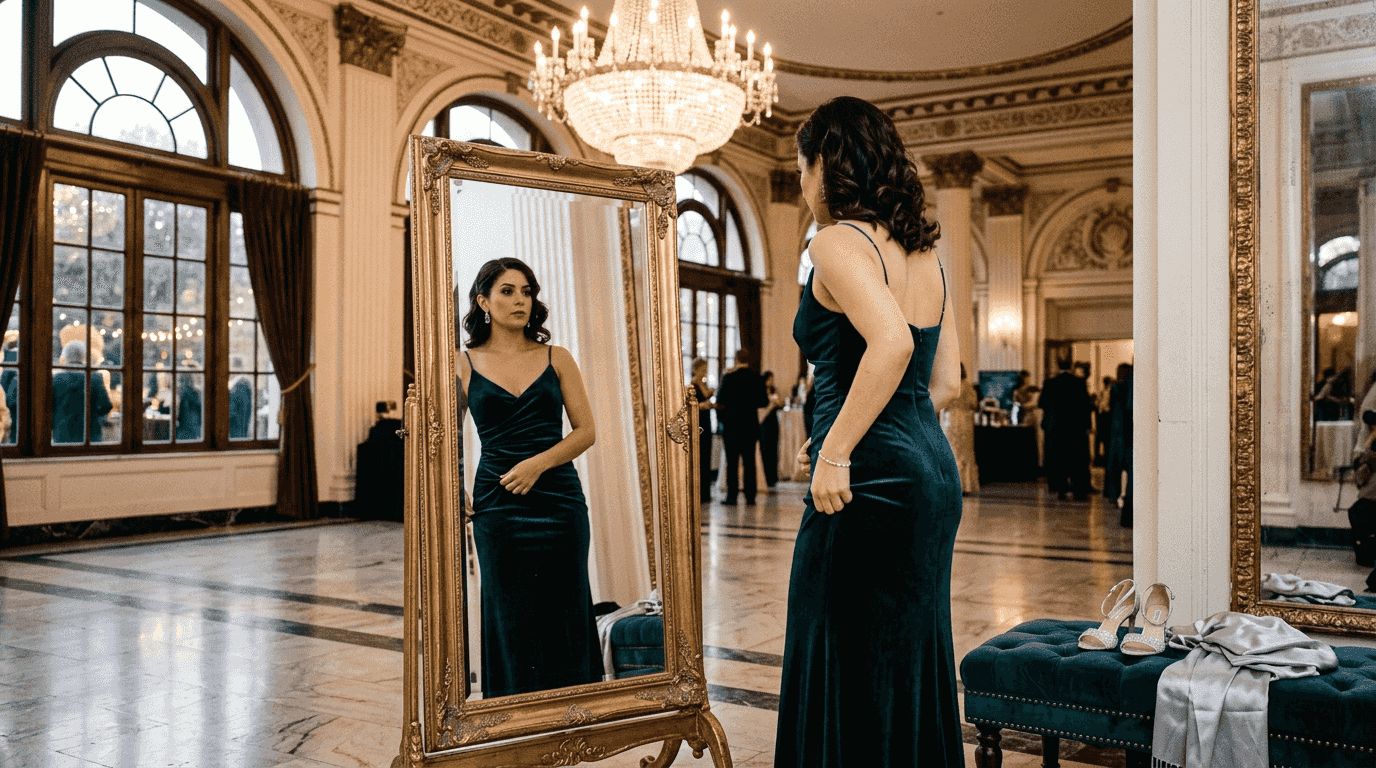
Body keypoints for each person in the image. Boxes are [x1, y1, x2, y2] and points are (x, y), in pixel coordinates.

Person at [776, 96, 964, 768]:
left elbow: (890, 345)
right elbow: (948, 382)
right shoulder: (923, 249)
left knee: (836, 646)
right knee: (905, 654)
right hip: (932, 474)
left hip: (870, 479)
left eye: (800, 172)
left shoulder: (833, 243)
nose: (801, 189)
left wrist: (837, 447)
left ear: (825, 162)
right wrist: (846, 432)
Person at [456, 257, 601, 697]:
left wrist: (538, 463)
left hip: (560, 501)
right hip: (498, 505)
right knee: (507, 609)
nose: (520, 300)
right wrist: (454, 482)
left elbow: (587, 431)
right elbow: (439, 437)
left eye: (526, 291)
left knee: (566, 601)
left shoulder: (557, 358)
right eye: (507, 291)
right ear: (483, 301)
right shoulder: (463, 363)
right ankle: (513, 715)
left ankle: (572, 713)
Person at [715, 348, 767, 505]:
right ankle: (750, 497)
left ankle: (732, 496)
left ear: (736, 359)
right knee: (749, 463)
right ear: (747, 360)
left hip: (732, 426)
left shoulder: (729, 377)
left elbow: (720, 400)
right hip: (750, 425)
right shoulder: (756, 378)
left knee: (732, 463)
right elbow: (763, 401)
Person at [1039, 356, 1092, 500]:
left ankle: (1060, 488)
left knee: (1057, 458)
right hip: (1075, 427)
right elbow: (1086, 406)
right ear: (1071, 367)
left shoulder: (1049, 382)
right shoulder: (1079, 382)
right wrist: (1088, 426)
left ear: (1057, 366)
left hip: (1055, 427)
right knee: (1076, 459)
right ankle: (1077, 489)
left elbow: (1042, 403)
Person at [51, 340, 113, 445]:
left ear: (65, 356)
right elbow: (106, 405)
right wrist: (94, 416)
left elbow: (49, 408)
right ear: (84, 356)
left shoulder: (57, 378)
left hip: (62, 433)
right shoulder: (95, 377)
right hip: (90, 433)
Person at [941, 364, 979, 495]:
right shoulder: (968, 387)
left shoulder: (950, 385)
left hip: (950, 419)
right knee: (966, 452)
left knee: (951, 451)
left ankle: (952, 484)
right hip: (965, 420)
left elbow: (942, 403)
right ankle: (966, 485)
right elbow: (974, 404)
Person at [1104, 364, 1133, 510]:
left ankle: (1114, 495)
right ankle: (1126, 495)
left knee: (1115, 465)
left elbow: (1108, 408)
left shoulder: (1115, 388)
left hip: (1116, 428)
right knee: (1128, 465)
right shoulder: (1131, 386)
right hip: (1128, 428)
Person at [690, 358, 716, 502]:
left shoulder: (703, 383)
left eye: (705, 368)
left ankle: (706, 493)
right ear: (696, 369)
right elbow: (692, 405)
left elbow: (707, 398)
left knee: (707, 457)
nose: (705, 371)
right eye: (702, 369)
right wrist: (704, 405)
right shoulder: (692, 385)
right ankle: (698, 493)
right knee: (699, 457)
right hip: (698, 422)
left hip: (706, 422)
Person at [759, 371, 785, 488]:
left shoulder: (773, 390)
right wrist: (771, 404)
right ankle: (766, 476)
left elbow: (781, 403)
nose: (771, 381)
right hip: (764, 421)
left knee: (774, 448)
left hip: (773, 421)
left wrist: (778, 403)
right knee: (765, 448)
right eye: (770, 379)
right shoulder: (760, 391)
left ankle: (773, 477)